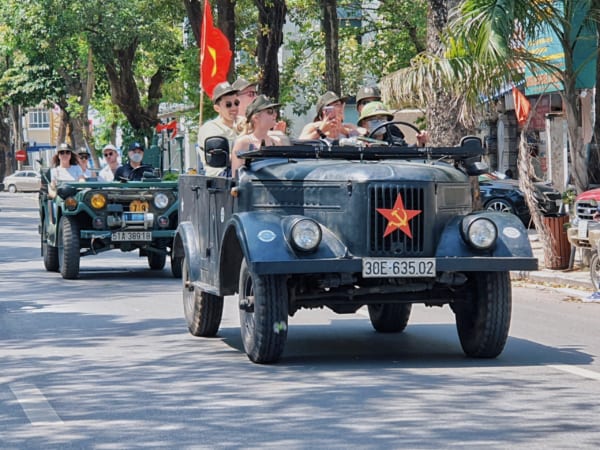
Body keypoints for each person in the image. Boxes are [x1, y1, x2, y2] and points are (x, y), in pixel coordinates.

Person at [230, 95, 285, 177]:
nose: (275, 115)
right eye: (270, 112)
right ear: (256, 117)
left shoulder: (277, 142)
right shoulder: (243, 143)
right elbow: (236, 178)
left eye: (275, 111)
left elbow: (282, 172)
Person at [197, 81, 240, 176]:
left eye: (236, 103)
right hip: (220, 176)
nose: (234, 108)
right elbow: (222, 159)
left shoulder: (243, 124)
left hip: (241, 172)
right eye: (228, 105)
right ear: (217, 108)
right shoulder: (211, 128)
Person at [358, 101, 428, 147]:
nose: (379, 122)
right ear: (364, 124)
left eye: (382, 118)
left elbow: (408, 152)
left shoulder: (396, 142)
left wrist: (419, 143)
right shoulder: (359, 144)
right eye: (374, 119)